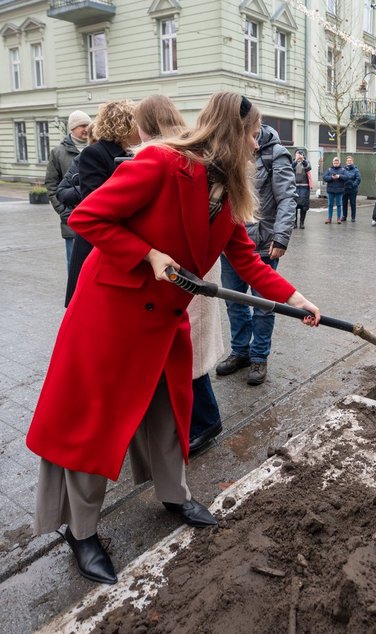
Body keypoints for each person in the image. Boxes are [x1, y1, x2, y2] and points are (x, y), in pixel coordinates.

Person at [26, 92, 321, 585]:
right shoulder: (161, 164)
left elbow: (247, 262)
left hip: (163, 321)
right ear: (231, 132)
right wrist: (148, 254)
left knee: (169, 415)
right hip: (110, 316)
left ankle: (174, 496)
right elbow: (87, 217)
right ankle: (81, 531)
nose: (257, 144)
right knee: (95, 426)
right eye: (253, 135)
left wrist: (296, 299)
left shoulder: (226, 193)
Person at [135, 94, 225, 456]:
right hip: (185, 267)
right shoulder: (189, 152)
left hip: (183, 269)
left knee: (189, 351)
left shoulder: (163, 156)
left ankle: (205, 420)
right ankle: (191, 420)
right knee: (186, 348)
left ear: (146, 125)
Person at [216, 123, 296, 386]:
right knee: (234, 302)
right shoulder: (227, 149)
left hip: (264, 244)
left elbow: (287, 198)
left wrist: (281, 237)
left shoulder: (275, 153)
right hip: (231, 245)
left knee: (263, 306)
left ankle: (259, 356)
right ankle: (240, 351)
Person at [64, 100, 140, 307]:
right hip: (97, 244)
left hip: (115, 241)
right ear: (125, 124)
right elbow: (93, 201)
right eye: (137, 122)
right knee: (92, 306)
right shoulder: (95, 153)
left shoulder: (131, 154)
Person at [44, 110, 90, 272]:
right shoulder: (58, 152)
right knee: (74, 265)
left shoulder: (95, 147)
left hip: (95, 217)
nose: (86, 129)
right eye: (82, 125)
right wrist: (65, 213)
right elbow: (51, 185)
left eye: (88, 125)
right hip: (71, 220)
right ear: (72, 128)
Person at [323, 157, 345, 223]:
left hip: (339, 190)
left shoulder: (343, 170)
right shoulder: (329, 170)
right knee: (330, 205)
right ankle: (329, 218)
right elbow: (324, 177)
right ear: (333, 163)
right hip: (331, 190)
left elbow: (346, 177)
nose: (336, 164)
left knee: (339, 205)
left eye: (337, 163)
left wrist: (339, 176)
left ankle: (339, 218)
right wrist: (331, 177)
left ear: (339, 163)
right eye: (335, 163)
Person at [293, 150, 312, 229]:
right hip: (294, 186)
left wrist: (303, 160)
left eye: (300, 154)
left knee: (304, 205)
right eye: (297, 154)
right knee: (294, 205)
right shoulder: (293, 162)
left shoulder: (306, 162)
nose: (299, 155)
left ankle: (302, 223)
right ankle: (294, 223)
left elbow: (308, 168)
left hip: (304, 187)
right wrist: (296, 160)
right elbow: (290, 168)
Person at [341, 155, 361, 221]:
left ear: (352, 161)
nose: (349, 162)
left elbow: (358, 179)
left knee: (353, 203)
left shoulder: (356, 170)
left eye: (350, 160)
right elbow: (341, 177)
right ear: (346, 162)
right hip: (345, 189)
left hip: (353, 189)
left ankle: (353, 217)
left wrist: (353, 185)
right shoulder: (343, 169)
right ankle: (344, 216)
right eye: (348, 161)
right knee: (344, 203)